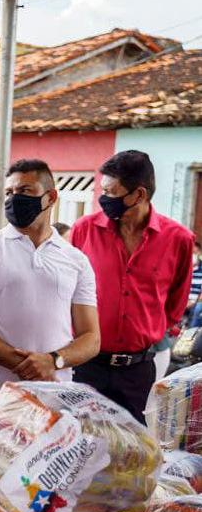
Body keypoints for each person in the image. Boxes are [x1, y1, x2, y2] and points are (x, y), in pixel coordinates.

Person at [0, 159, 100, 464]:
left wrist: (52, 361)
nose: (13, 198)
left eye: (24, 190)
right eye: (8, 192)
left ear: (51, 197)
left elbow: (91, 337)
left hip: (53, 401)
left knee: (42, 500)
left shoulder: (76, 260)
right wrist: (23, 365)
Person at [71, 150, 194, 423]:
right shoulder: (84, 230)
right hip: (86, 365)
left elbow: (175, 304)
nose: (103, 199)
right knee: (82, 447)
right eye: (101, 190)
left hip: (138, 371)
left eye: (110, 192)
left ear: (138, 195)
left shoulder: (179, 239)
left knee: (131, 455)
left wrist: (146, 331)